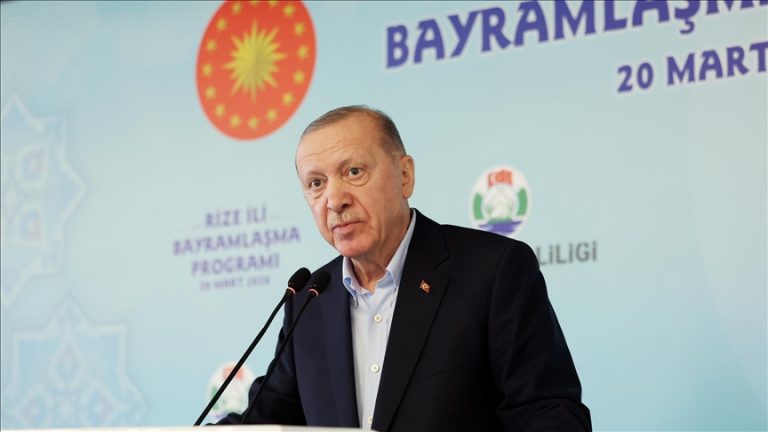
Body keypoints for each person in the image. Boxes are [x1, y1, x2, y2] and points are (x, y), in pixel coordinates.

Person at [218, 106, 591, 431]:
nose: (334, 200)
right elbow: (264, 420)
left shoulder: (493, 271)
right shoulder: (310, 300)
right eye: (316, 183)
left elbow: (547, 414)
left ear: (405, 175)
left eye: (353, 171)